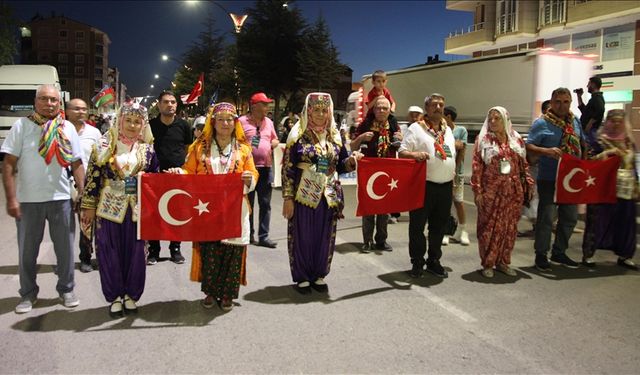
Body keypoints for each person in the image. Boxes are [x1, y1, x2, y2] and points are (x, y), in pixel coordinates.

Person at [1, 84, 84, 314]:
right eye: (45, 99)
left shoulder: (66, 127)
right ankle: (28, 294)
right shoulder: (22, 126)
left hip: (61, 199)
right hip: (29, 200)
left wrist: (83, 192)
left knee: (66, 250)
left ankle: (66, 289)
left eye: (54, 100)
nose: (50, 104)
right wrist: (11, 199)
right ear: (35, 101)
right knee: (27, 252)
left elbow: (77, 162)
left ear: (59, 103)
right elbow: (8, 165)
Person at [168, 102, 258, 311]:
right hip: (206, 208)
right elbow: (189, 171)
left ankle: (227, 294)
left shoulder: (244, 149)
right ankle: (210, 291)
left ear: (235, 123)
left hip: (235, 209)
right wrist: (178, 174)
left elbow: (253, 174)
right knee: (209, 250)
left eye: (229, 119)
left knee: (232, 251)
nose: (225, 123)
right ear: (213, 122)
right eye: (221, 119)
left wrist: (248, 179)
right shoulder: (200, 148)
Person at [81, 101, 158, 317]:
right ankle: (115, 296)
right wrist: (88, 205)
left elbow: (156, 178)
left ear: (143, 125)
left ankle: (131, 295)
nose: (133, 126)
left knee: (136, 253)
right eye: (129, 121)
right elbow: (92, 178)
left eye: (137, 122)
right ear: (119, 121)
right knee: (109, 251)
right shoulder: (103, 147)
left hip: (137, 211)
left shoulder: (148, 151)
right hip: (108, 209)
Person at [282, 92, 361, 293]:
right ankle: (302, 277)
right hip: (303, 193)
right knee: (303, 235)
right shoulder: (297, 136)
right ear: (308, 111)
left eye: (324, 110)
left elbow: (342, 164)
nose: (320, 114)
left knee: (325, 235)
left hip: (329, 194)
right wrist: (288, 198)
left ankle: (319, 274)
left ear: (330, 112)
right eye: (315, 110)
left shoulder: (335, 135)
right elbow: (288, 168)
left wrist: (351, 162)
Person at [471, 107, 534, 278]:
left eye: (497, 119)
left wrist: (528, 184)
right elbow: (477, 167)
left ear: (505, 120)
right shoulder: (483, 140)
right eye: (490, 119)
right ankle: (488, 262)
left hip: (513, 192)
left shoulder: (516, 140)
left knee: (509, 228)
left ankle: (503, 262)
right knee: (489, 228)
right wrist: (477, 191)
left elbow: (523, 166)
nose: (493, 122)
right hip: (491, 192)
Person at [526, 87, 584, 271]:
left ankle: (559, 252)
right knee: (546, 218)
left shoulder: (574, 122)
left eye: (566, 101)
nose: (562, 105)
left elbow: (581, 142)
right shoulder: (541, 123)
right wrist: (546, 151)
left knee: (570, 217)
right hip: (549, 178)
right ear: (551, 103)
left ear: (570, 103)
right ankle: (541, 255)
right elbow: (528, 146)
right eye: (558, 102)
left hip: (571, 179)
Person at [399, 93, 456, 278]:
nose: (438, 107)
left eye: (441, 104)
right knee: (417, 227)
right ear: (427, 108)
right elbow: (402, 152)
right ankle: (417, 262)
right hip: (423, 186)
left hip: (445, 186)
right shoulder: (416, 128)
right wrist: (415, 155)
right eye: (434, 104)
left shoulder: (448, 130)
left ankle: (434, 260)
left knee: (438, 227)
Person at [582, 109, 638, 270]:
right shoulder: (598, 141)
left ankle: (625, 255)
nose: (616, 124)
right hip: (603, 187)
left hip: (626, 188)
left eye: (620, 121)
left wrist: (637, 186)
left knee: (626, 222)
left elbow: (633, 165)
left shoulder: (629, 141)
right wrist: (607, 153)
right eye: (613, 121)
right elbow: (590, 161)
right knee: (598, 221)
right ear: (607, 121)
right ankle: (589, 254)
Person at [350, 96, 402, 252]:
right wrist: (361, 137)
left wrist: (401, 138)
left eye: (385, 108)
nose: (381, 110)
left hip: (387, 171)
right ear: (373, 109)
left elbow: (401, 146)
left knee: (384, 208)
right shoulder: (365, 124)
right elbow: (352, 145)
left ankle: (381, 240)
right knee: (368, 207)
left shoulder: (393, 124)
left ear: (389, 110)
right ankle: (367, 241)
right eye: (378, 107)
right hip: (369, 171)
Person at [148, 91, 193, 265]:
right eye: (166, 102)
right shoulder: (150, 125)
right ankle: (153, 250)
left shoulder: (184, 125)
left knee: (177, 213)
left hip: (177, 177)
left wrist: (182, 169)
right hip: (155, 177)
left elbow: (188, 149)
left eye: (173, 102)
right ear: (158, 105)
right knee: (154, 214)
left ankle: (175, 249)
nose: (170, 105)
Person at [66, 98, 102, 273]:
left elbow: (102, 156)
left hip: (89, 184)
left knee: (86, 222)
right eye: (76, 109)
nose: (81, 112)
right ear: (67, 111)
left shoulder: (94, 133)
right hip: (64, 184)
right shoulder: (59, 130)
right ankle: (64, 261)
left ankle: (86, 258)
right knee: (66, 226)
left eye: (84, 109)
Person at [239, 92, 279, 248]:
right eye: (264, 104)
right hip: (248, 169)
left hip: (265, 168)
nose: (267, 107)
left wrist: (272, 144)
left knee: (265, 203)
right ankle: (248, 235)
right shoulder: (241, 121)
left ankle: (264, 236)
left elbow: (275, 138)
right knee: (248, 203)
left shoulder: (268, 122)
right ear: (254, 106)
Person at [518, 99, 550, 238]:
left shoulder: (561, 125)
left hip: (550, 170)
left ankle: (540, 226)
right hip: (537, 168)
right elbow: (530, 146)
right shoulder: (539, 125)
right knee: (533, 196)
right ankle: (537, 226)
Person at [389, 105, 424, 224]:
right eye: (412, 114)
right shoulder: (402, 128)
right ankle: (394, 213)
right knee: (397, 189)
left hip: (418, 165)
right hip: (403, 163)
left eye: (417, 114)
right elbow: (397, 142)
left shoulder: (425, 129)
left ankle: (417, 214)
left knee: (416, 191)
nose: (414, 117)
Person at [442, 106, 470, 246]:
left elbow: (462, 149)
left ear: (448, 116)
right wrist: (455, 144)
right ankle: (446, 231)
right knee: (445, 203)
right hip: (443, 171)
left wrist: (454, 169)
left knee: (458, 201)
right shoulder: (441, 130)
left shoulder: (461, 130)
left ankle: (463, 230)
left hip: (457, 172)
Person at [575, 76, 605, 142]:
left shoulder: (597, 98)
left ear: (593, 85)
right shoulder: (594, 99)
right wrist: (579, 96)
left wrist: (589, 124)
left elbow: (600, 110)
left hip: (591, 132)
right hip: (588, 131)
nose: (587, 86)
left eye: (589, 84)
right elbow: (585, 112)